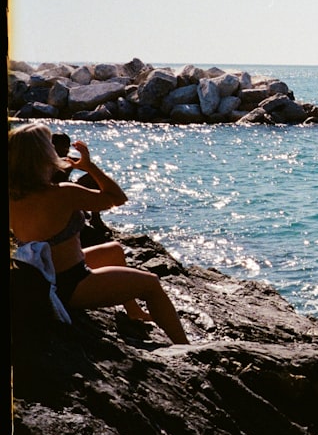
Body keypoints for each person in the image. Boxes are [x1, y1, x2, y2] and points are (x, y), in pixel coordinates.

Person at [8, 123, 189, 344]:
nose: (55, 150)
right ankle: (184, 346)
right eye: (50, 146)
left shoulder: (13, 195)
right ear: (42, 155)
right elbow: (116, 198)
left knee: (114, 250)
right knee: (151, 284)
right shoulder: (63, 194)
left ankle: (133, 311)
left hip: (42, 275)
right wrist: (89, 166)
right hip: (71, 284)